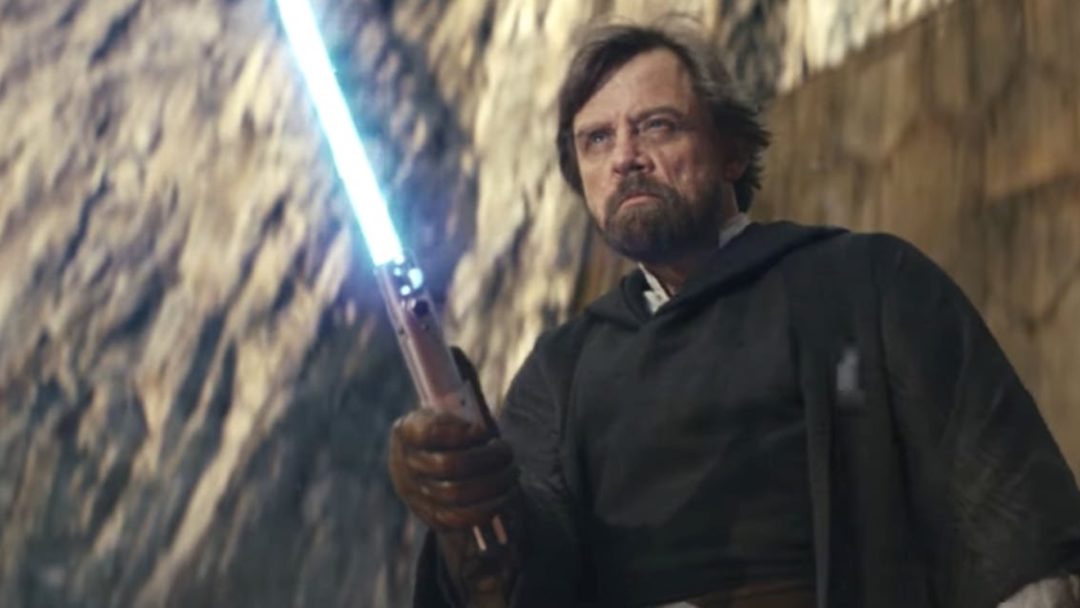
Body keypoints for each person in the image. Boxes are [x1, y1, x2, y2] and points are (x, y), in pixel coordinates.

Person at [387, 22, 1080, 608]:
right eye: (595, 140)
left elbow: (1011, 519)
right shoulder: (560, 372)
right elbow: (526, 568)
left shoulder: (868, 285)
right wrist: (468, 504)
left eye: (656, 126)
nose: (625, 158)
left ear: (732, 150)